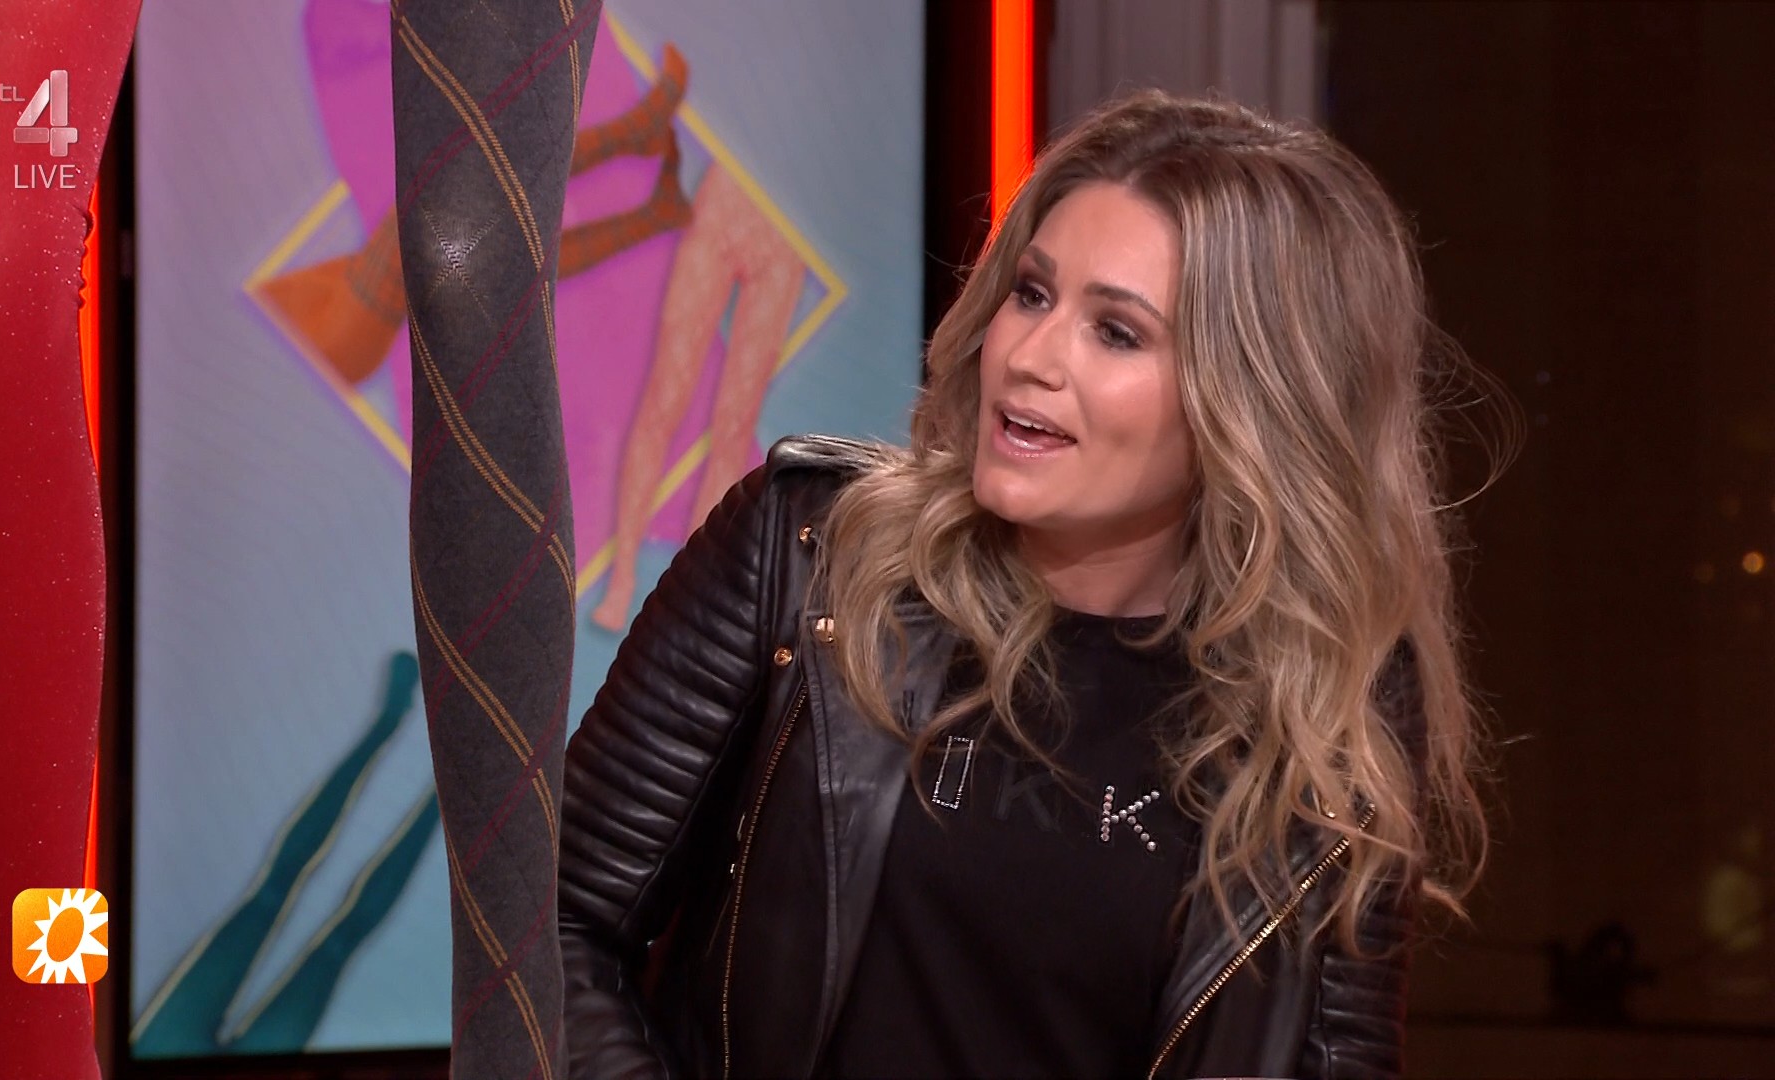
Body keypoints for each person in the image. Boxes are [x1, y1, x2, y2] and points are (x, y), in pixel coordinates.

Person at [559, 89, 1500, 1080]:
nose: (1031, 356)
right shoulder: (810, 554)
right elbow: (552, 924)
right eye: (1033, 293)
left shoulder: (1334, 696)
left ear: (1251, 400)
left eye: (1117, 332)